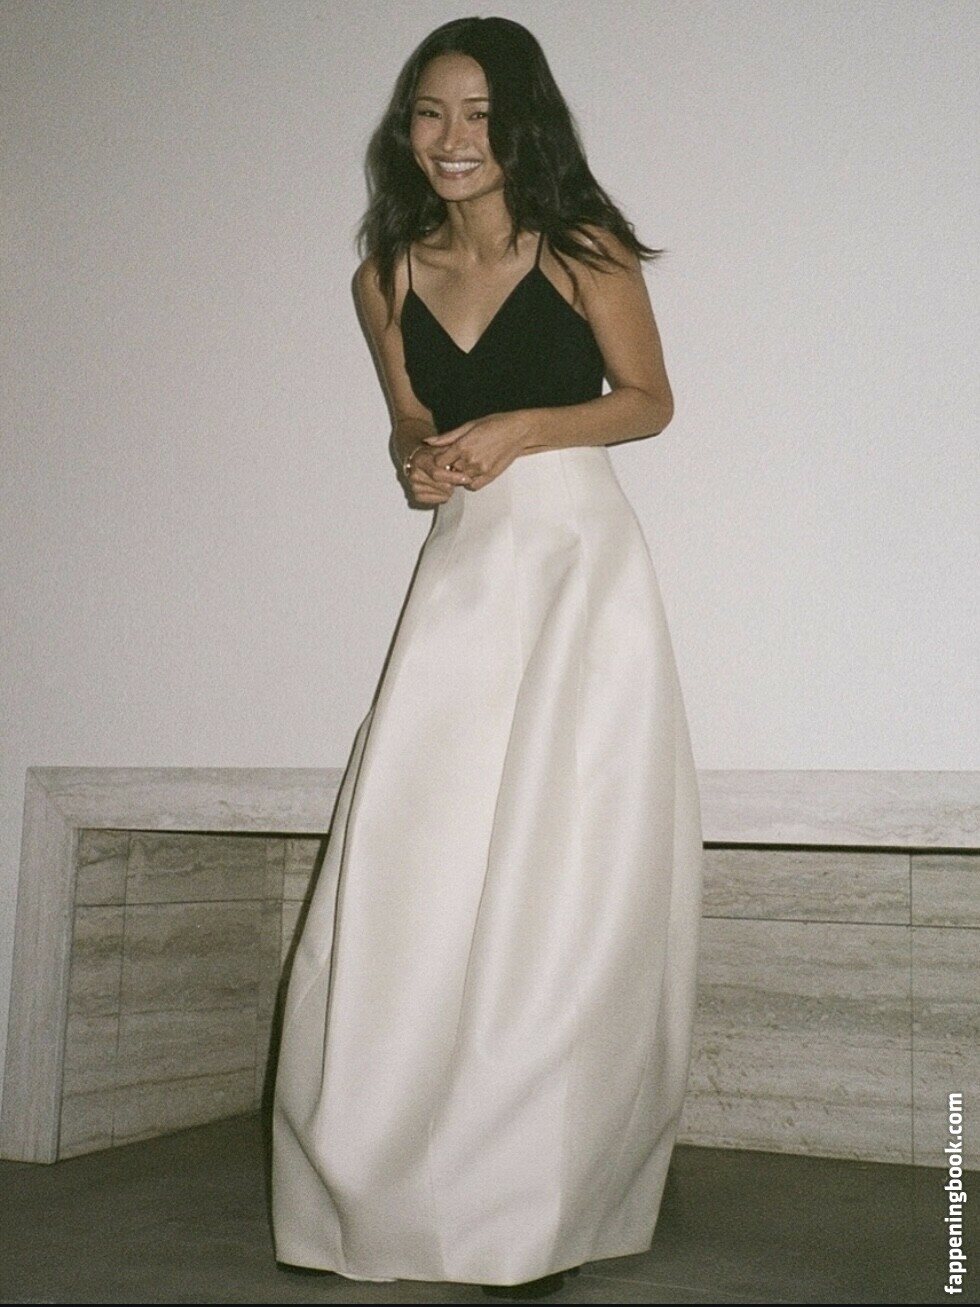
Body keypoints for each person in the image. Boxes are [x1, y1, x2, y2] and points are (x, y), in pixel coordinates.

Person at [272, 16, 702, 1300]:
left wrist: (520, 426)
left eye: (477, 113)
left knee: (559, 871)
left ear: (521, 125)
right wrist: (419, 453)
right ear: (404, 128)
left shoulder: (582, 247)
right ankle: (379, 1177)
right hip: (464, 570)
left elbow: (647, 400)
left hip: (576, 566)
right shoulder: (384, 274)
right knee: (416, 861)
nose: (451, 138)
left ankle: (529, 1197)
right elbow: (408, 413)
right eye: (429, 112)